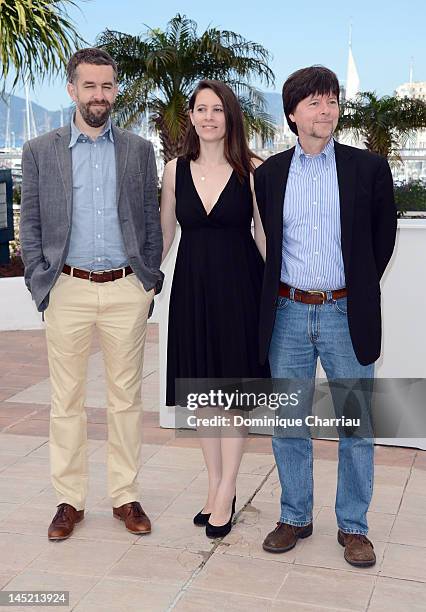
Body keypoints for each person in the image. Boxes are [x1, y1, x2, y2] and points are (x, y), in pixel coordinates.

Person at [255, 66, 397, 567]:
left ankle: (353, 526)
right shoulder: (268, 174)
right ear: (293, 113)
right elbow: (268, 247)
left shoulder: (369, 168)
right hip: (288, 313)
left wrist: (350, 290)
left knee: (355, 425)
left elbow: (382, 243)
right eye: (315, 102)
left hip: (345, 311)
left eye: (332, 100)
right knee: (289, 422)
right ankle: (295, 515)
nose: (327, 110)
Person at [20, 48, 163, 540]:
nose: (98, 95)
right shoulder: (41, 151)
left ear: (115, 90)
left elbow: (149, 220)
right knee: (68, 401)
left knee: (126, 399)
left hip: (125, 288)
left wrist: (146, 280)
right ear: (71, 89)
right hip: (67, 289)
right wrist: (42, 281)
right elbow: (31, 223)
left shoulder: (139, 151)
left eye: (106, 86)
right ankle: (69, 500)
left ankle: (125, 496)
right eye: (89, 86)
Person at [161, 79, 269, 538]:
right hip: (191, 288)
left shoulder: (253, 169)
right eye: (201, 109)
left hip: (240, 288)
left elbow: (264, 236)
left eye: (217, 109)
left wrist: (279, 291)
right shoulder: (173, 170)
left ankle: (227, 490)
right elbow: (165, 234)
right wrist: (142, 280)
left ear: (230, 117)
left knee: (233, 400)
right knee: (204, 397)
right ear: (191, 116)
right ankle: (214, 487)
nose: (208, 117)